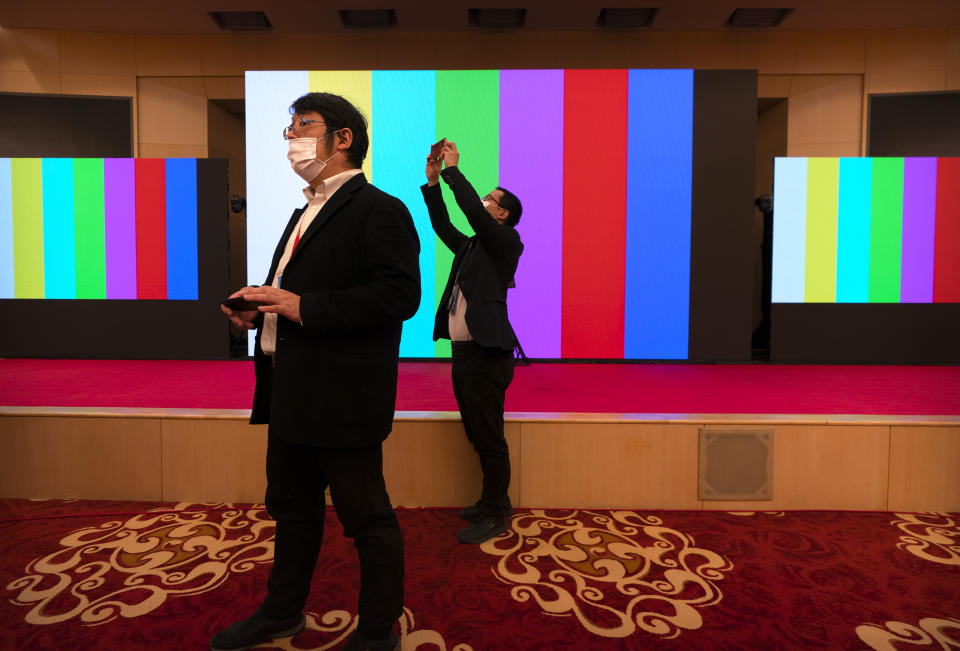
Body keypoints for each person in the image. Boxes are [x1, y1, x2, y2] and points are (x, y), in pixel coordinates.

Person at [214, 92, 421, 651]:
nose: (291, 139)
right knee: (293, 514)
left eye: (302, 126)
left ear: (342, 138)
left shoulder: (381, 208)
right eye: (289, 129)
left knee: (368, 522)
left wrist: (304, 306)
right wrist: (254, 311)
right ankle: (281, 613)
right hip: (287, 392)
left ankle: (378, 633)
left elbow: (400, 295)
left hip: (343, 396)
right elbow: (289, 295)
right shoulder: (302, 211)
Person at [421, 139, 523, 545]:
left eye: (489, 198)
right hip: (463, 353)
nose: (483, 201)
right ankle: (490, 500)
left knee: (489, 436)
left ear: (503, 214)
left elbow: (470, 215)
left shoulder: (506, 242)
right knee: (476, 432)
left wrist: (452, 170)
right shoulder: (472, 246)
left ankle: (497, 510)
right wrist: (432, 183)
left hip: (486, 354)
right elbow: (444, 225)